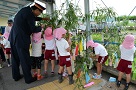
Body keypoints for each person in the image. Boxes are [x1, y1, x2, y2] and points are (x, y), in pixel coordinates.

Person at [8, 1, 49, 84]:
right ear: (36, 9)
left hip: (13, 38)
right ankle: (28, 79)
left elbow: (32, 18)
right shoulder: (30, 14)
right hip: (21, 40)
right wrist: (41, 27)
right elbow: (33, 29)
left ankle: (16, 76)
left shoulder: (24, 10)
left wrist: (42, 19)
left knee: (15, 59)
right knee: (25, 59)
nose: (39, 14)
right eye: (40, 12)